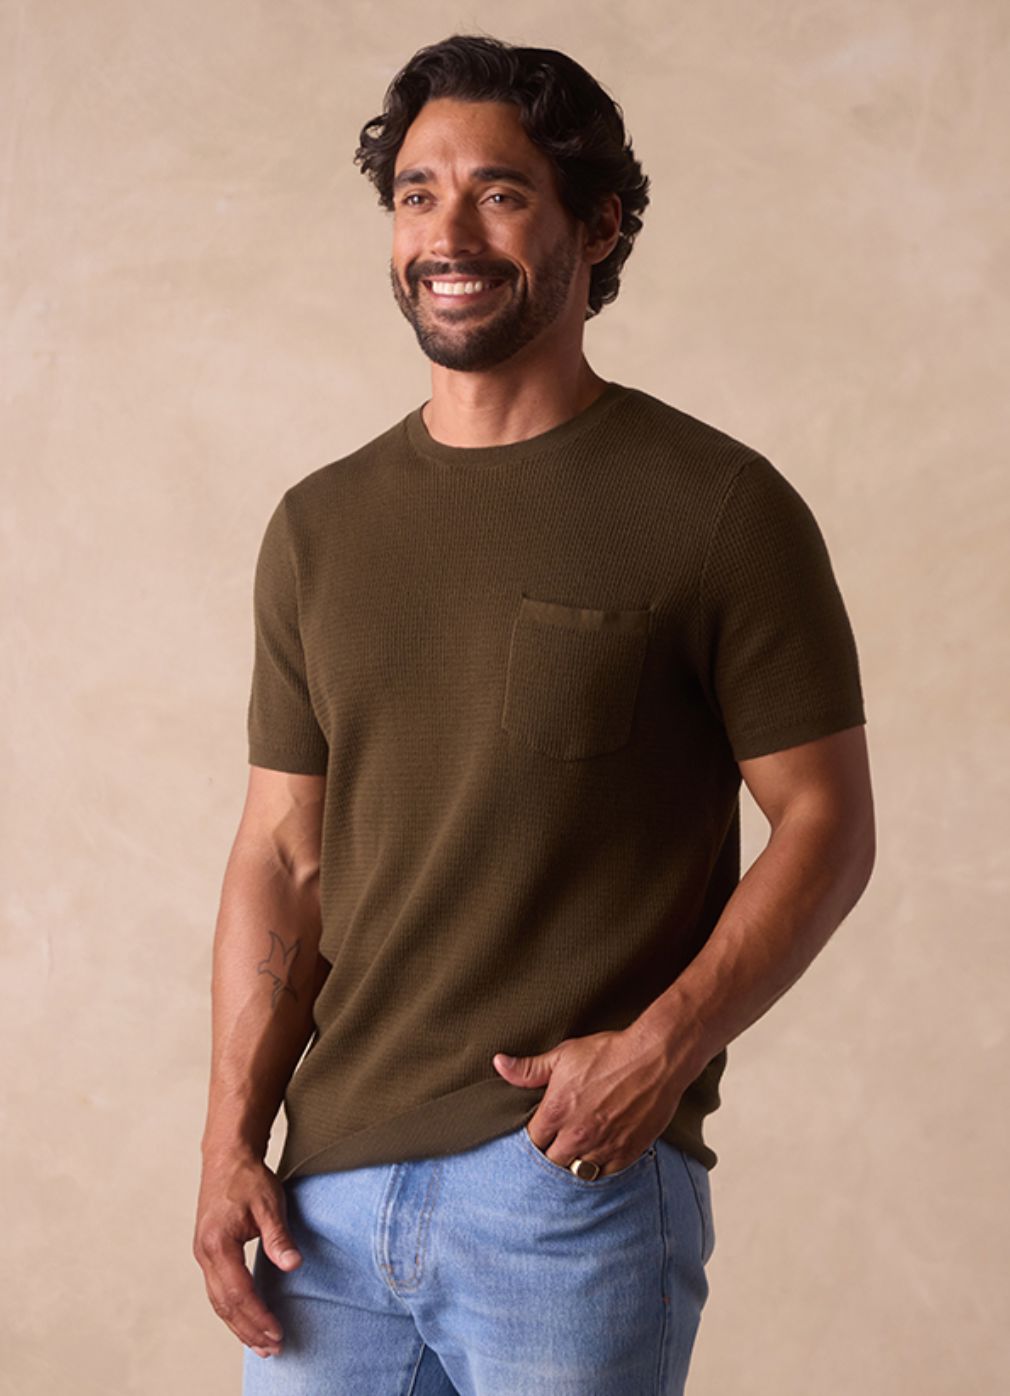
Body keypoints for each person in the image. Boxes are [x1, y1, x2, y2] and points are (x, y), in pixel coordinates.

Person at [193, 32, 875, 1396]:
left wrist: (660, 1051)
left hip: (564, 1186)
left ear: (597, 225)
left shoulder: (718, 508)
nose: (447, 234)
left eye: (498, 193)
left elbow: (825, 823)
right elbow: (281, 852)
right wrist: (228, 1143)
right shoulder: (318, 528)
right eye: (417, 194)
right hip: (323, 1208)